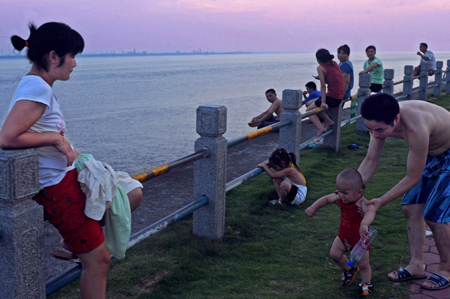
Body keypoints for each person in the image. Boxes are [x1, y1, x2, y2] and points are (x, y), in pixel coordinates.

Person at [0, 22, 143, 299]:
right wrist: (56, 138)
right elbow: (7, 137)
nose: (75, 64)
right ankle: (83, 247)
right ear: (53, 57)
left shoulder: (37, 85)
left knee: (131, 193)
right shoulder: (37, 88)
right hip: (55, 190)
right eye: (73, 55)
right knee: (99, 261)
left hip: (68, 175)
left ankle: (72, 243)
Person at [358, 93, 450, 291]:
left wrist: (379, 201)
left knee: (434, 215)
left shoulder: (416, 126)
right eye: (369, 129)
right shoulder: (379, 121)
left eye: (380, 130)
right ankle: (416, 265)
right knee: (410, 207)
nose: (375, 135)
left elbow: (413, 177)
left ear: (397, 119)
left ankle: (446, 269)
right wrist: (352, 190)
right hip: (434, 153)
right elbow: (371, 160)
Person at [305, 168, 376, 296]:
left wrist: (364, 223)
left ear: (359, 192)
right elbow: (326, 199)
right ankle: (349, 269)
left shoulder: (362, 203)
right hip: (343, 236)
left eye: (345, 193)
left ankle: (366, 283)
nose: (340, 195)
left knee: (364, 264)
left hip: (360, 239)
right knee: (334, 254)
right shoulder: (340, 198)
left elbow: (371, 211)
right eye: (339, 191)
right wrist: (314, 207)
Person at [310, 48, 344, 136]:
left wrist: (323, 102)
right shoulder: (335, 64)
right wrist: (321, 77)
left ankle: (323, 126)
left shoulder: (320, 67)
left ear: (318, 59)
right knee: (312, 103)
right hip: (339, 97)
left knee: (309, 110)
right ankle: (326, 124)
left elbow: (322, 86)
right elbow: (334, 80)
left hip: (332, 98)